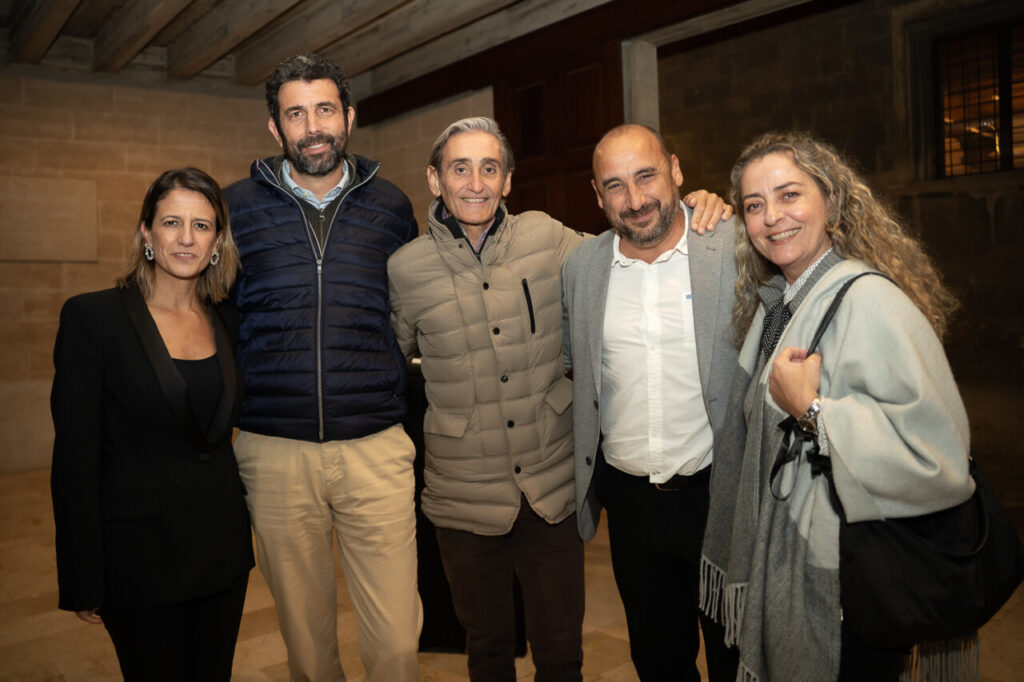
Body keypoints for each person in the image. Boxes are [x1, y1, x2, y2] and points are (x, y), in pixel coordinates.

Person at [388, 117, 730, 681]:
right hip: (462, 494)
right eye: (459, 168)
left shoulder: (550, 239)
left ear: (508, 181)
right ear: (434, 179)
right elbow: (390, 365)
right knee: (488, 649)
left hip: (551, 487)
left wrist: (701, 207)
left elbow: (630, 238)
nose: (475, 183)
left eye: (489, 168)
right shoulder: (405, 270)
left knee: (562, 653)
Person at [698, 131, 974, 681]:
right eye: (754, 205)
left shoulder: (870, 300)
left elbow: (939, 459)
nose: (772, 217)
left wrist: (815, 411)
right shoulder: (778, 304)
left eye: (790, 195)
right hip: (800, 563)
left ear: (831, 199)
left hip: (845, 585)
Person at [222, 54, 421, 682]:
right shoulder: (234, 210)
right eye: (296, 113)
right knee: (307, 649)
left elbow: (407, 310)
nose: (313, 126)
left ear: (350, 118)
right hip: (274, 451)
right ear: (275, 129)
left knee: (395, 645)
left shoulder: (391, 206)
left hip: (375, 446)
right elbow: (213, 318)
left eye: (325, 110)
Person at [50, 168, 253, 681]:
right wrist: (81, 575)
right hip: (138, 562)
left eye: (202, 226)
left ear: (217, 240)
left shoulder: (227, 319)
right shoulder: (93, 319)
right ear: (146, 233)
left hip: (222, 555)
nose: (187, 238)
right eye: (171, 222)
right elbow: (76, 457)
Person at [561, 124, 740, 681]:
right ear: (597, 195)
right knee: (659, 662)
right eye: (615, 186)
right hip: (632, 507)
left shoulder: (731, 246)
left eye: (646, 177)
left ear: (677, 171)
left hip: (719, 497)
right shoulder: (582, 269)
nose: (635, 201)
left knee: (736, 657)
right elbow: (576, 367)